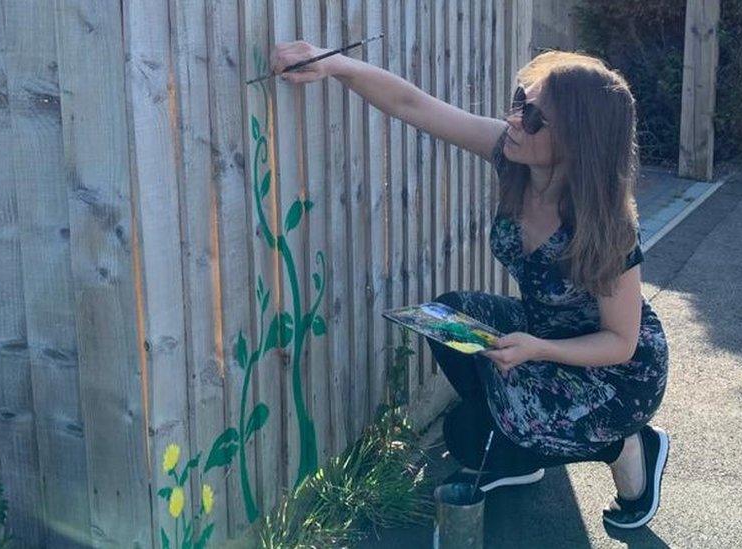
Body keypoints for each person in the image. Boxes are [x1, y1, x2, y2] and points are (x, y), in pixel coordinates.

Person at [271, 42, 670, 530]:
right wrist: (333, 63)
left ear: (578, 139)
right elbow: (414, 106)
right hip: (541, 330)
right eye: (522, 101)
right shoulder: (511, 154)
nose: (517, 119)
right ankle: (521, 449)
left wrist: (539, 349)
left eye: (536, 117)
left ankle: (628, 444)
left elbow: (621, 343)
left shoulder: (607, 226)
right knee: (449, 316)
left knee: (476, 429)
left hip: (614, 376)